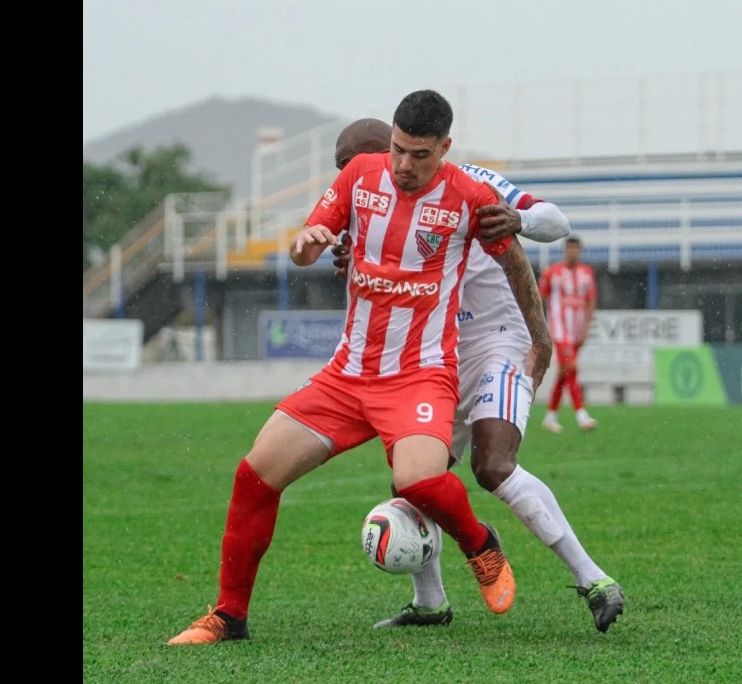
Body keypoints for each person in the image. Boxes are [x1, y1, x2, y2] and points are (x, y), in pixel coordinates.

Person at [167, 90, 551, 645]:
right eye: (397, 149)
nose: (403, 165)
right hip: (348, 375)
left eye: (419, 155)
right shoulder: (360, 177)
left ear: (444, 148)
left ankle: (479, 544)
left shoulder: (470, 196)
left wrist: (539, 339)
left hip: (420, 372)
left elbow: (515, 260)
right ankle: (228, 617)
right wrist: (307, 242)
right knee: (255, 475)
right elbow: (305, 246)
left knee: (417, 479)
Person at [330, 118, 625, 634]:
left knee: (492, 466)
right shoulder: (369, 209)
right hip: (431, 360)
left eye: (355, 163)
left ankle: (594, 579)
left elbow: (554, 221)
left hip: (497, 343)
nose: (354, 176)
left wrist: (515, 219)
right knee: (419, 481)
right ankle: (431, 603)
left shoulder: (470, 185)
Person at [538, 236, 599, 432]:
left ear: (580, 250)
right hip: (559, 329)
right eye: (569, 248)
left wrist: (586, 329)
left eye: (575, 248)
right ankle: (581, 414)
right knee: (571, 367)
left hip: (577, 331)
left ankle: (550, 416)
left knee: (564, 372)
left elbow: (590, 302)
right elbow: (538, 298)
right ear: (565, 250)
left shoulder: (586, 273)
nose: (572, 252)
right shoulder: (552, 273)